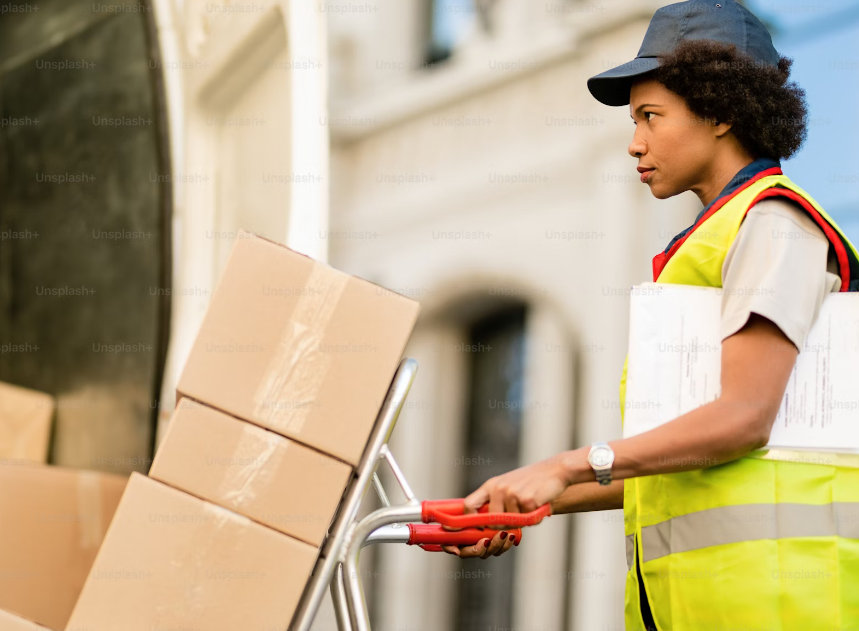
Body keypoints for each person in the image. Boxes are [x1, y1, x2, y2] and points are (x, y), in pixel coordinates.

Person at [441, 1, 859, 630]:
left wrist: (561, 466)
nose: (634, 143)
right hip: (706, 607)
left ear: (719, 111)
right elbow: (664, 465)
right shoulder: (718, 237)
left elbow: (743, 419)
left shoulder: (773, 224)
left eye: (650, 117)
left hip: (779, 608)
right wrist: (527, 499)